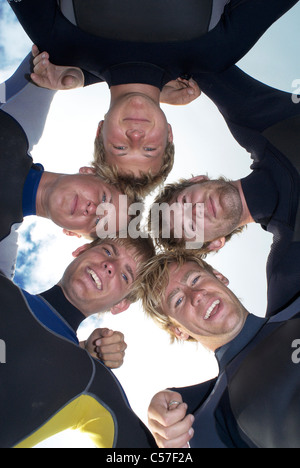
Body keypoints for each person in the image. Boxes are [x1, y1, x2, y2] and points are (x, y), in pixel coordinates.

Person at [8, 0, 299, 196]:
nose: (136, 136)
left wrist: (81, 75)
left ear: (101, 131)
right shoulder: (214, 53)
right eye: (148, 149)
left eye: (121, 147)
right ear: (168, 135)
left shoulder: (58, 42)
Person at [151, 66, 300, 318]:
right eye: (190, 227)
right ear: (213, 244)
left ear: (198, 179)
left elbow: (197, 54)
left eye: (186, 202)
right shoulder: (286, 268)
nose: (195, 211)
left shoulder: (259, 123)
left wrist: (154, 93)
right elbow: (281, 345)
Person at [0, 232, 157, 448]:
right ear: (81, 251)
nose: (110, 265)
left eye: (125, 276)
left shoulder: (91, 380)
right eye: (108, 251)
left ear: (120, 305)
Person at [139, 251, 300, 448]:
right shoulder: (210, 421)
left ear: (220, 277)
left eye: (195, 279)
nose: (196, 295)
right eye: (178, 301)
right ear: (179, 331)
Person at [0, 51, 134, 266]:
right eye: (103, 199)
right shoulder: (19, 120)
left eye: (99, 223)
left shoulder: (2, 255)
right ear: (89, 172)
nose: (92, 209)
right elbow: (61, 47)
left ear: (72, 234)